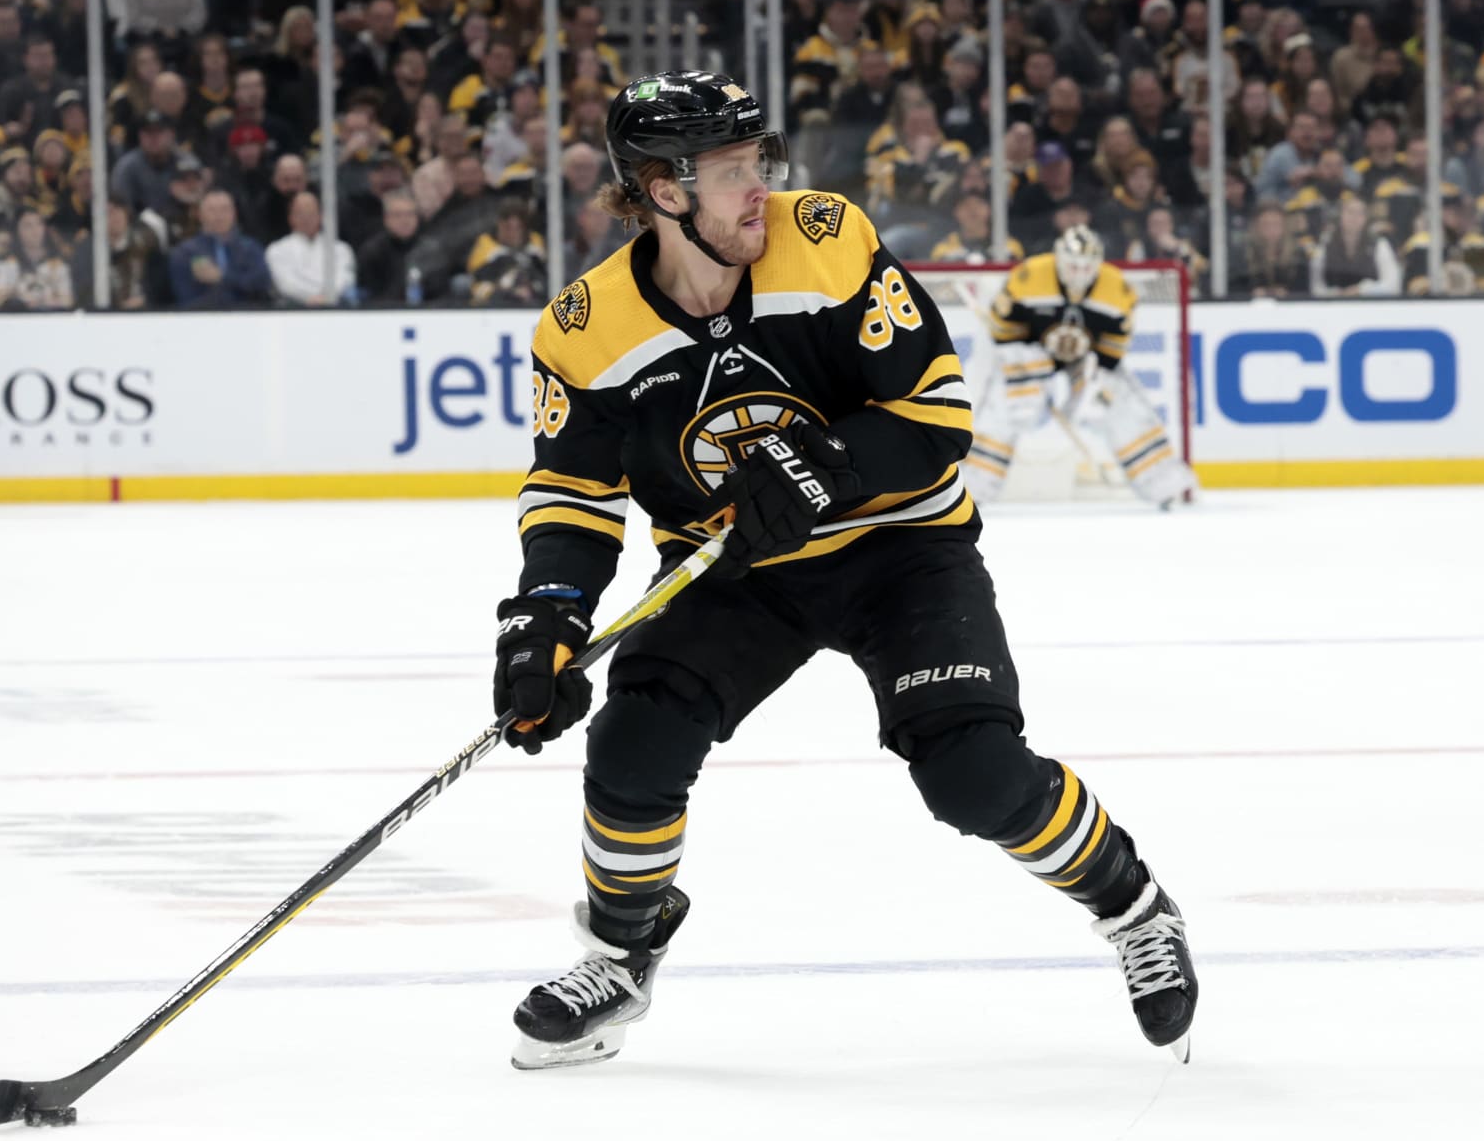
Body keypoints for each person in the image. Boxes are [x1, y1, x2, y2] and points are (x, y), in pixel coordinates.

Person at [496, 71, 1198, 1072]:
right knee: (633, 740)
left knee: (974, 776)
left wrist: (824, 467)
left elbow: (937, 412)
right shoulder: (584, 330)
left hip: (902, 545)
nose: (760, 189)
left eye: (758, 162)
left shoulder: (825, 240)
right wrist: (546, 616)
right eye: (732, 170)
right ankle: (621, 953)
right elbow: (570, 496)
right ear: (660, 189)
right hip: (740, 573)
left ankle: (1134, 905)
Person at [963, 223, 1195, 509]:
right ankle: (974, 487)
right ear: (1059, 258)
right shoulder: (1029, 276)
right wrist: (1033, 366)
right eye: (1073, 266)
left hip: (1084, 361)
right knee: (1009, 406)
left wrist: (1089, 381)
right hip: (1032, 355)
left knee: (1117, 401)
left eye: (1086, 267)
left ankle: (1164, 483)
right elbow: (1003, 334)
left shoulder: (1117, 289)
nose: (1079, 274)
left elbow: (1111, 354)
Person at [167, 188, 271, 307]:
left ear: (234, 214)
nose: (219, 216)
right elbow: (185, 297)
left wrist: (221, 278)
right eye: (212, 210)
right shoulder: (185, 252)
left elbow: (262, 283)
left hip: (249, 317)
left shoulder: (250, 248)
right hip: (202, 319)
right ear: (199, 214)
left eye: (225, 209)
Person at [266, 190, 357, 305]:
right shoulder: (276, 250)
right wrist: (312, 297)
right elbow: (285, 284)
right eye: (300, 213)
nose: (306, 218)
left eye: (311, 213)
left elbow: (345, 280)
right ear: (290, 217)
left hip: (334, 309)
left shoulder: (341, 249)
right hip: (293, 312)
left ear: (320, 216)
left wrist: (326, 297)